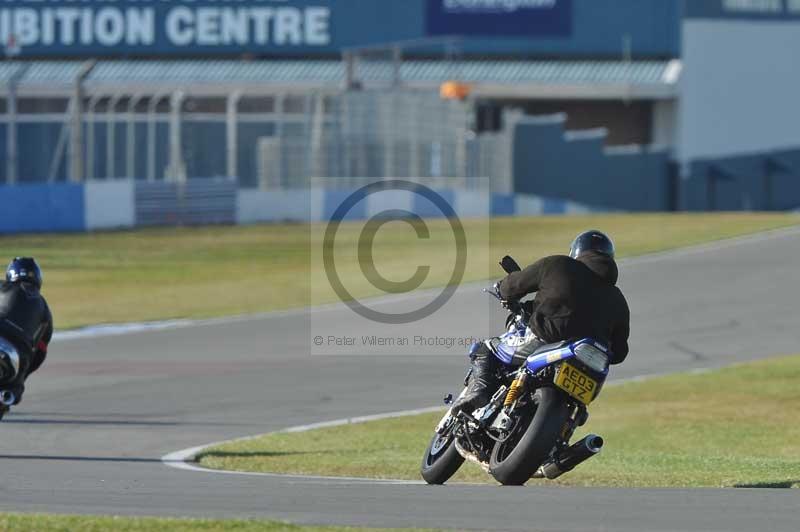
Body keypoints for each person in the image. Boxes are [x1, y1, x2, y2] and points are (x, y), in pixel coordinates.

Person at [452, 230, 630, 415]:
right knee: (577, 412)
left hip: (547, 337)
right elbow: (619, 353)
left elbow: (515, 285)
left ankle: (479, 391)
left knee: (484, 349)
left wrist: (502, 289)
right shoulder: (618, 299)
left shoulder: (560, 264)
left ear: (576, 252)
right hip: (590, 363)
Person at [0, 258, 53, 415]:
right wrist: (24, 373)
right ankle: (5, 396)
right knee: (14, 389)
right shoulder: (45, 310)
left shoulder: (2, 286)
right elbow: (41, 352)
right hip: (15, 357)